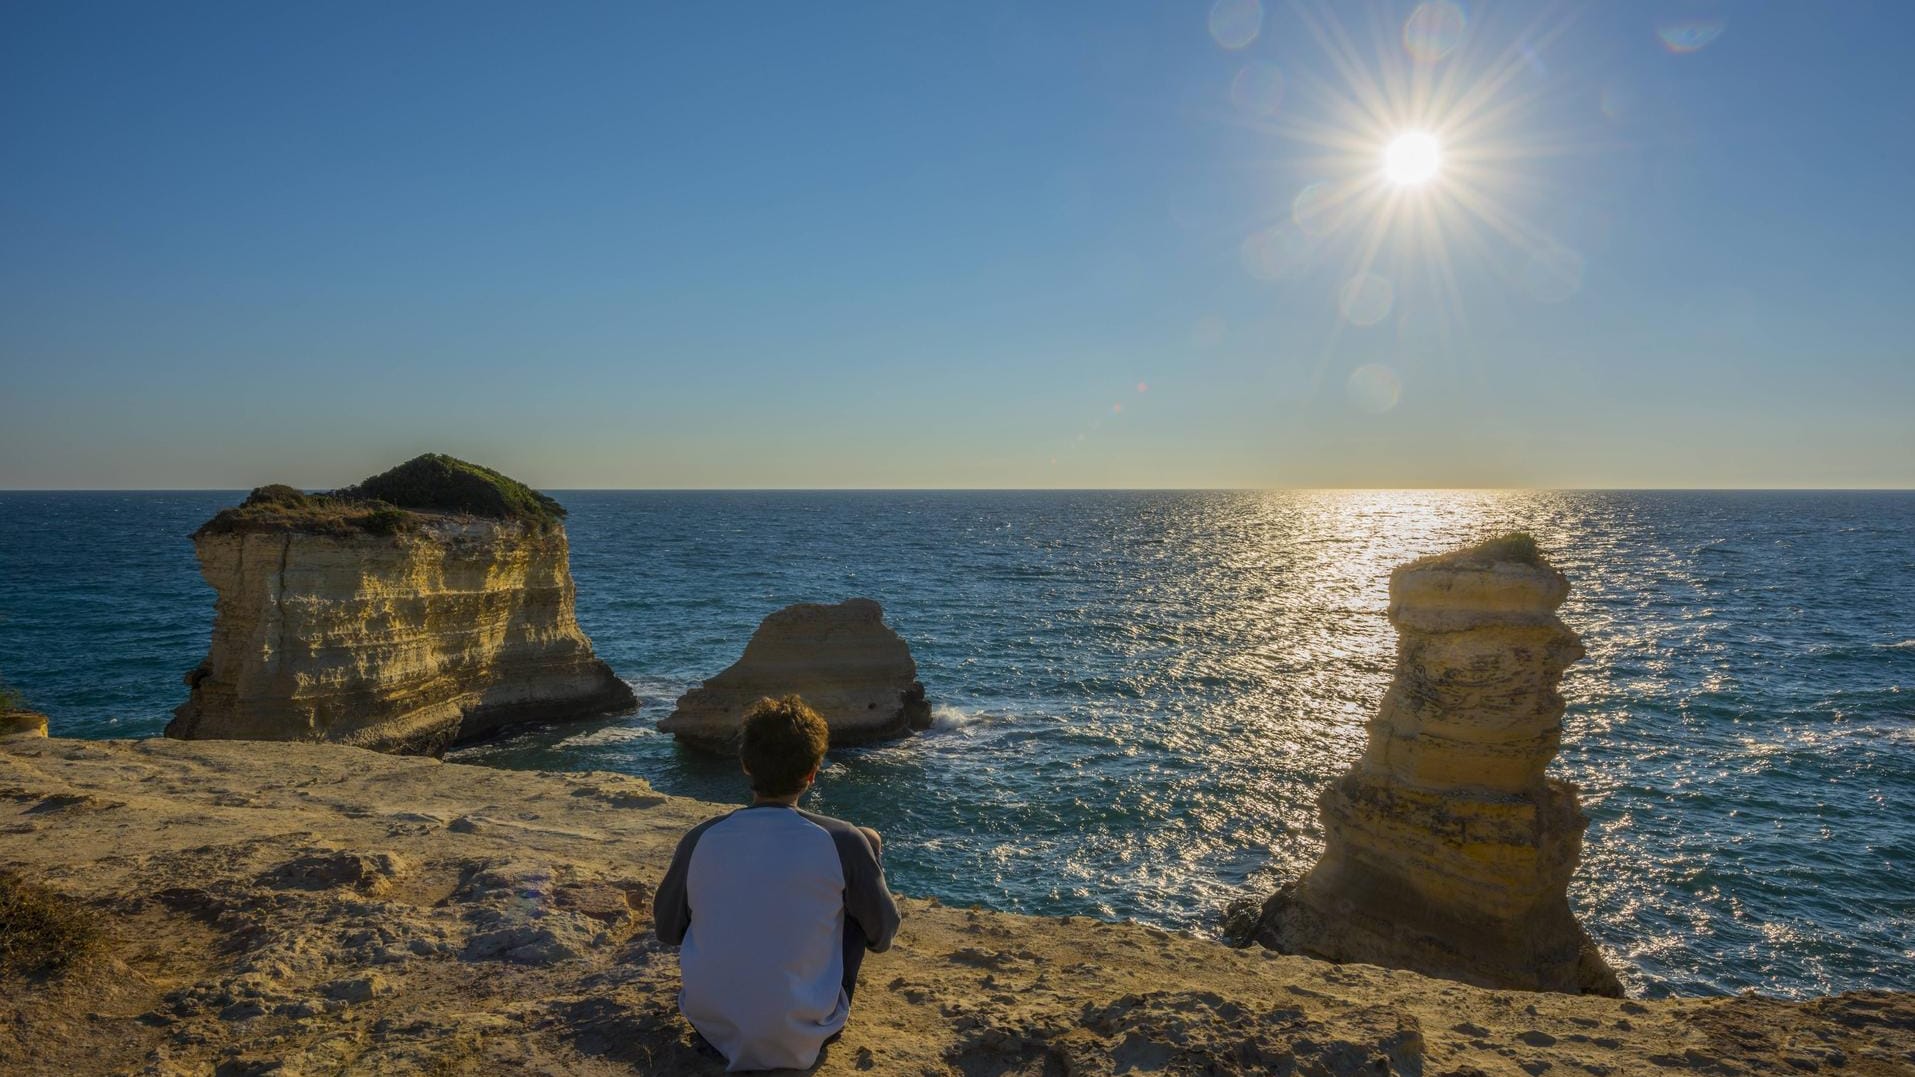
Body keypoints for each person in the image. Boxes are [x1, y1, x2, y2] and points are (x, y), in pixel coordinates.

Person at [654, 694, 902, 1072]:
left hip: (709, 1028)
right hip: (808, 1033)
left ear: (746, 766)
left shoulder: (699, 838)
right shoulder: (844, 841)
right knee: (863, 857)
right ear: (813, 772)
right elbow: (882, 935)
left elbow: (668, 930)